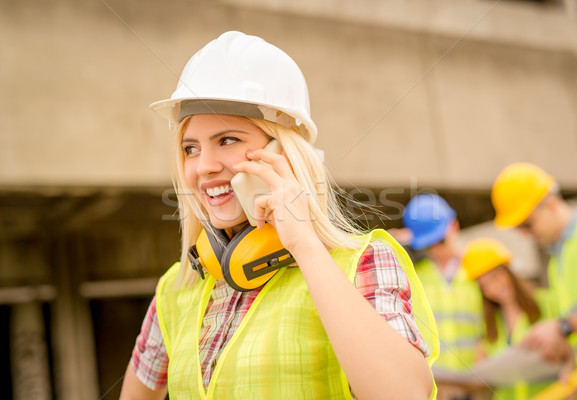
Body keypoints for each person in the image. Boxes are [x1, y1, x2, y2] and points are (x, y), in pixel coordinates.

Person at [119, 31, 438, 399]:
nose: (203, 166)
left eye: (227, 140)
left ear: (283, 152)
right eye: (191, 148)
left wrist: (304, 245)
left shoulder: (360, 263)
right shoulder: (178, 287)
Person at [491, 162, 577, 399]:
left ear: (550, 203)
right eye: (519, 228)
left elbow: (570, 323)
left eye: (527, 224)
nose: (525, 234)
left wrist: (562, 327)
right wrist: (573, 365)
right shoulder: (556, 263)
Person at [400, 194, 484, 398]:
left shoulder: (479, 271)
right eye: (429, 244)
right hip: (435, 388)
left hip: (476, 385)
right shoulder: (413, 275)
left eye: (440, 240)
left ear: (454, 226)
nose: (436, 249)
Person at [462, 237, 568, 400]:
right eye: (484, 286)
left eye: (495, 277)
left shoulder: (547, 303)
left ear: (508, 271)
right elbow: (482, 375)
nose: (493, 289)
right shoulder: (490, 326)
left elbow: (570, 352)